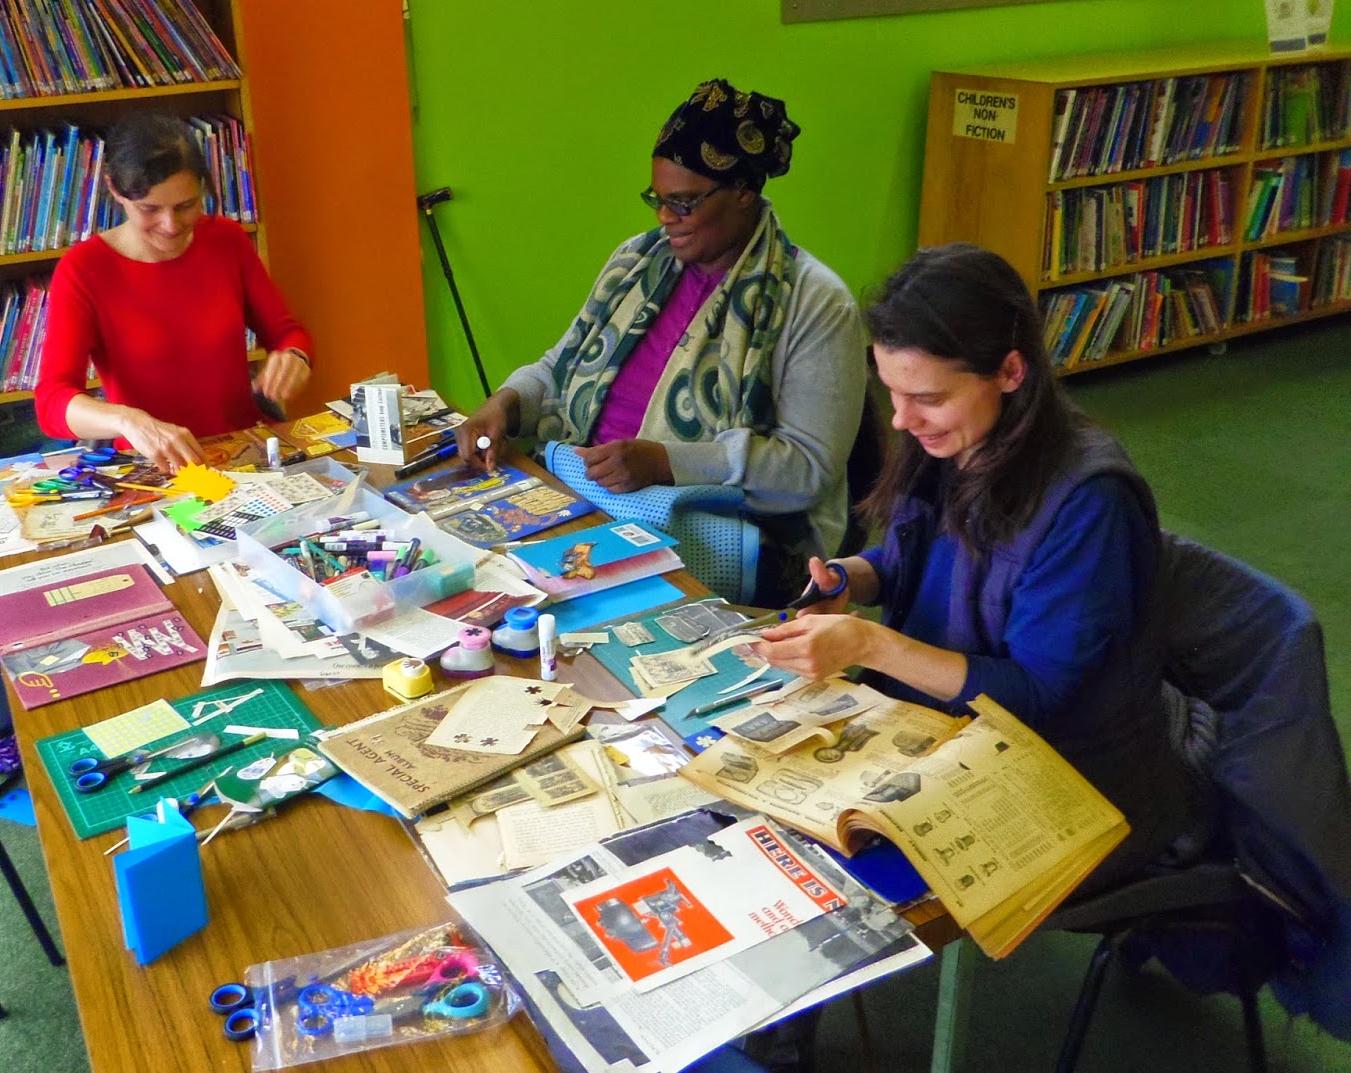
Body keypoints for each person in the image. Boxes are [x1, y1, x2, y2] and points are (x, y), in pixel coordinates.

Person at [754, 243, 1191, 887]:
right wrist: (853, 577)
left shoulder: (1089, 502)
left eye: (926, 396)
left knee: (814, 868)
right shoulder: (959, 439)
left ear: (1011, 371)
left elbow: (1038, 696)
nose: (902, 420)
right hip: (949, 730)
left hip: (1065, 773)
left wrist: (871, 643)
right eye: (892, 392)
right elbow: (923, 564)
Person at [456, 79, 866, 596]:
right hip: (588, 497)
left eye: (685, 202)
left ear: (744, 191)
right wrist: (506, 402)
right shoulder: (638, 261)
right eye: (658, 198)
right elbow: (558, 367)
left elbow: (808, 469)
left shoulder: (812, 302)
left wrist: (667, 463)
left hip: (716, 529)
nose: (664, 217)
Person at [36, 112, 313, 472]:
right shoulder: (84, 269)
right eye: (149, 209)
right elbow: (52, 401)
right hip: (157, 468)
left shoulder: (226, 241)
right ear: (115, 190)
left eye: (186, 206)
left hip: (244, 453)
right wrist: (127, 421)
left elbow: (288, 333)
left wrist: (296, 357)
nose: (170, 225)